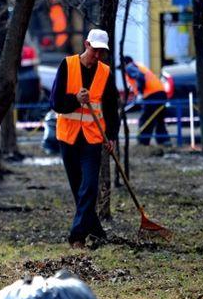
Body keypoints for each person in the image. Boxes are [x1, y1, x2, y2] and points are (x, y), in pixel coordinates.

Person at [50, 29, 120, 249]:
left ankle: (77, 237)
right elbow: (55, 102)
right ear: (87, 44)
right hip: (68, 137)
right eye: (95, 50)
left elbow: (110, 109)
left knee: (89, 186)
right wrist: (75, 99)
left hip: (92, 137)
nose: (98, 56)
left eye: (102, 52)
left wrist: (112, 137)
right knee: (78, 189)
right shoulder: (67, 65)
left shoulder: (105, 73)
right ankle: (97, 232)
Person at [121, 56, 171, 146]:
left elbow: (140, 77)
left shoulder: (129, 67)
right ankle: (164, 141)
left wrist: (140, 92)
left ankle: (143, 142)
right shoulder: (139, 66)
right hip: (161, 93)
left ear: (124, 63)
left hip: (152, 95)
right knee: (159, 119)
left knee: (146, 119)